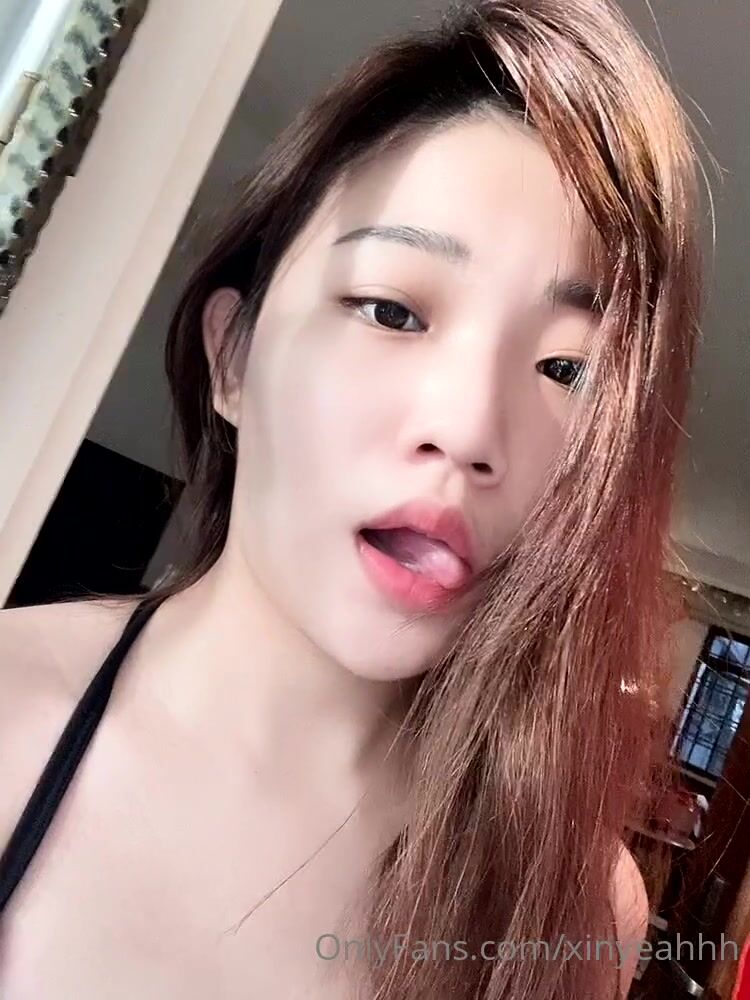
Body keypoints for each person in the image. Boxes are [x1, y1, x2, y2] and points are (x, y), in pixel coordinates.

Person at [0, 0, 702, 997]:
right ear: (232, 356)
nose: (468, 429)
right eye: (391, 310)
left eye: (567, 371)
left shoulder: (575, 910)